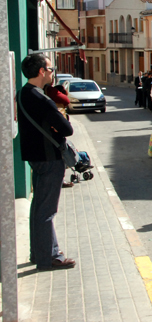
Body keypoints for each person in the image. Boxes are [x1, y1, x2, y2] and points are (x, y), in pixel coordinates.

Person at [17, 54, 76, 271]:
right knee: (46, 211)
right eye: (51, 69)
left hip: (34, 157)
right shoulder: (42, 99)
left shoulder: (23, 93)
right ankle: (48, 258)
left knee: (39, 208)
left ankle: (40, 253)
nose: (52, 72)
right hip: (49, 158)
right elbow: (67, 129)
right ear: (42, 71)